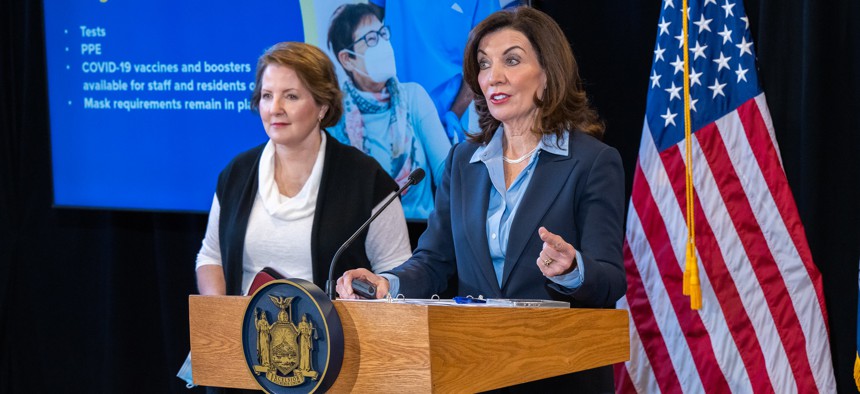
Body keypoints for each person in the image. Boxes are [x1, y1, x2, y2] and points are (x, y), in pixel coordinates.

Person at [336, 7, 625, 392]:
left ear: (547, 74)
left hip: (558, 373)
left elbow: (610, 280)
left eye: (512, 60)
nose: (494, 77)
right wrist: (387, 284)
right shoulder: (463, 162)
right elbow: (435, 261)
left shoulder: (592, 162)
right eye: (485, 64)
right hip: (474, 371)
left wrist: (573, 268)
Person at [195, 41, 412, 299]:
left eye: (291, 96)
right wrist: (221, 318)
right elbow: (211, 256)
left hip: (336, 337)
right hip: (247, 335)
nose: (275, 108)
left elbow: (396, 271)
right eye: (267, 95)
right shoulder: (237, 173)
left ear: (322, 106)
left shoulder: (366, 179)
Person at [326, 3, 452, 220]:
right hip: (361, 237)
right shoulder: (334, 114)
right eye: (371, 40)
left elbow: (449, 175)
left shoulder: (413, 97)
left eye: (383, 34)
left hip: (423, 239)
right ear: (347, 58)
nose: (383, 45)